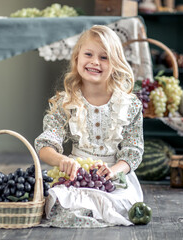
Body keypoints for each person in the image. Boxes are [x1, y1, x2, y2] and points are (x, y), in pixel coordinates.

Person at [34, 25, 144, 228]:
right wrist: (62, 161)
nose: (95, 62)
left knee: (119, 203)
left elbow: (133, 151)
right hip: (75, 175)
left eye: (104, 57)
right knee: (58, 197)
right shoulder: (65, 103)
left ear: (115, 64)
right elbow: (46, 144)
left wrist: (114, 171)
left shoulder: (130, 105)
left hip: (113, 176)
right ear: (77, 59)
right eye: (88, 54)